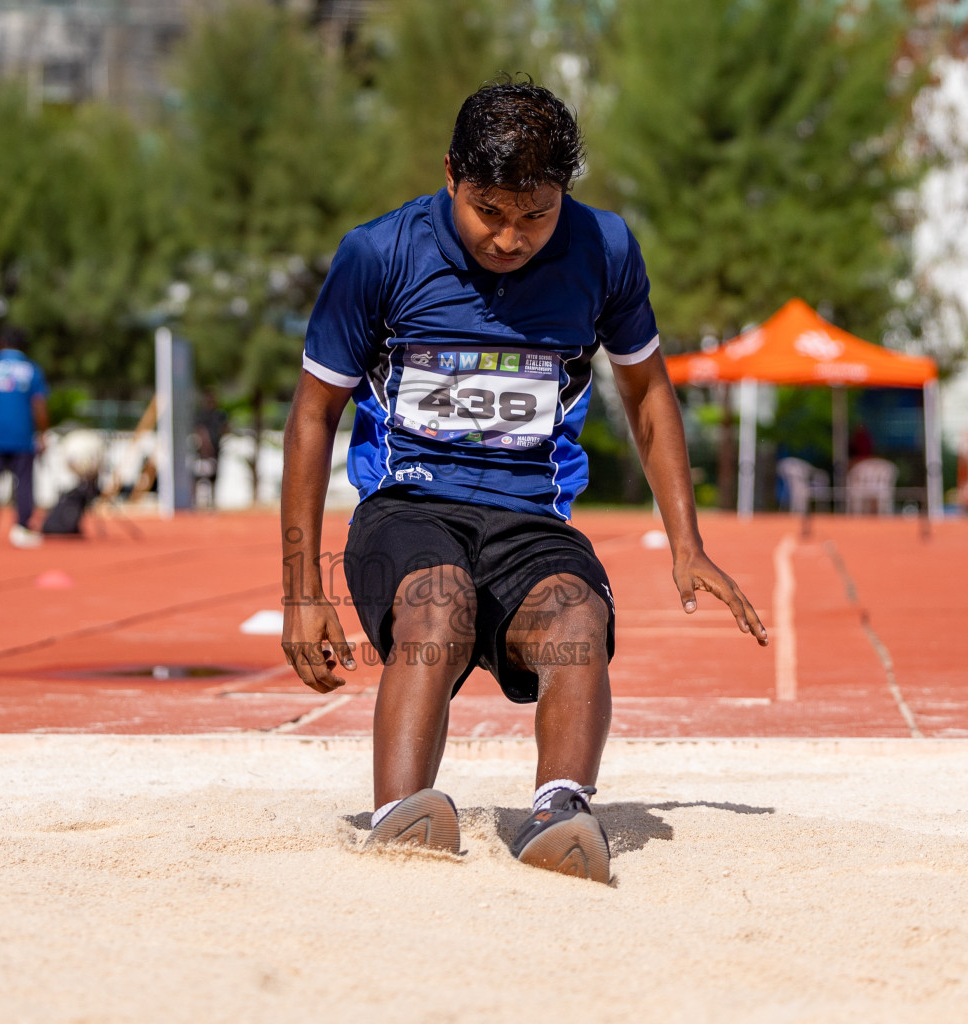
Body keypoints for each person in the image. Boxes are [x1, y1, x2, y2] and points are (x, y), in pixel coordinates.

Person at [279, 77, 767, 883]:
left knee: (577, 615)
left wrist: (688, 542)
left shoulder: (604, 250)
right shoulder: (379, 254)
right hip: (408, 506)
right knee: (439, 605)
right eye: (489, 212)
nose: (510, 238)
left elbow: (647, 390)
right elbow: (310, 416)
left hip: (529, 519)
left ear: (564, 194)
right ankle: (399, 815)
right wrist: (301, 590)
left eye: (535, 215)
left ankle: (560, 808)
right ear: (450, 175)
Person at [0, 326, 49, 548]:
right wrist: (43, 433)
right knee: (23, 483)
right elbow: (39, 405)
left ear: (0, 342)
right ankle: (22, 528)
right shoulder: (32, 369)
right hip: (23, 435)